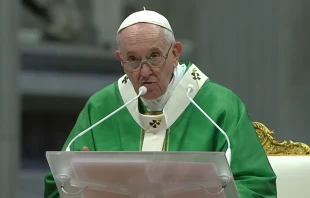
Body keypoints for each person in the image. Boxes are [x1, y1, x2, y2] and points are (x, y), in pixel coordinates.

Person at [44, 9, 277, 198]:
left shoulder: (219, 106)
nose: (144, 71)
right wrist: (80, 181)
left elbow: (257, 186)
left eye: (154, 56)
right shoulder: (101, 108)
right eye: (133, 60)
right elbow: (58, 185)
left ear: (175, 54)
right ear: (120, 60)